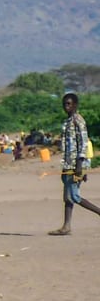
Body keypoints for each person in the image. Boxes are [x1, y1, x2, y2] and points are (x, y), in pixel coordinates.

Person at [48, 91, 98, 235]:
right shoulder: (67, 121)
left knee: (74, 196)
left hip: (76, 163)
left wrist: (80, 166)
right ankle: (66, 226)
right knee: (67, 197)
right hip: (67, 163)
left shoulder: (78, 120)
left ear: (75, 105)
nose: (66, 107)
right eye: (64, 104)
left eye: (69, 104)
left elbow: (83, 143)